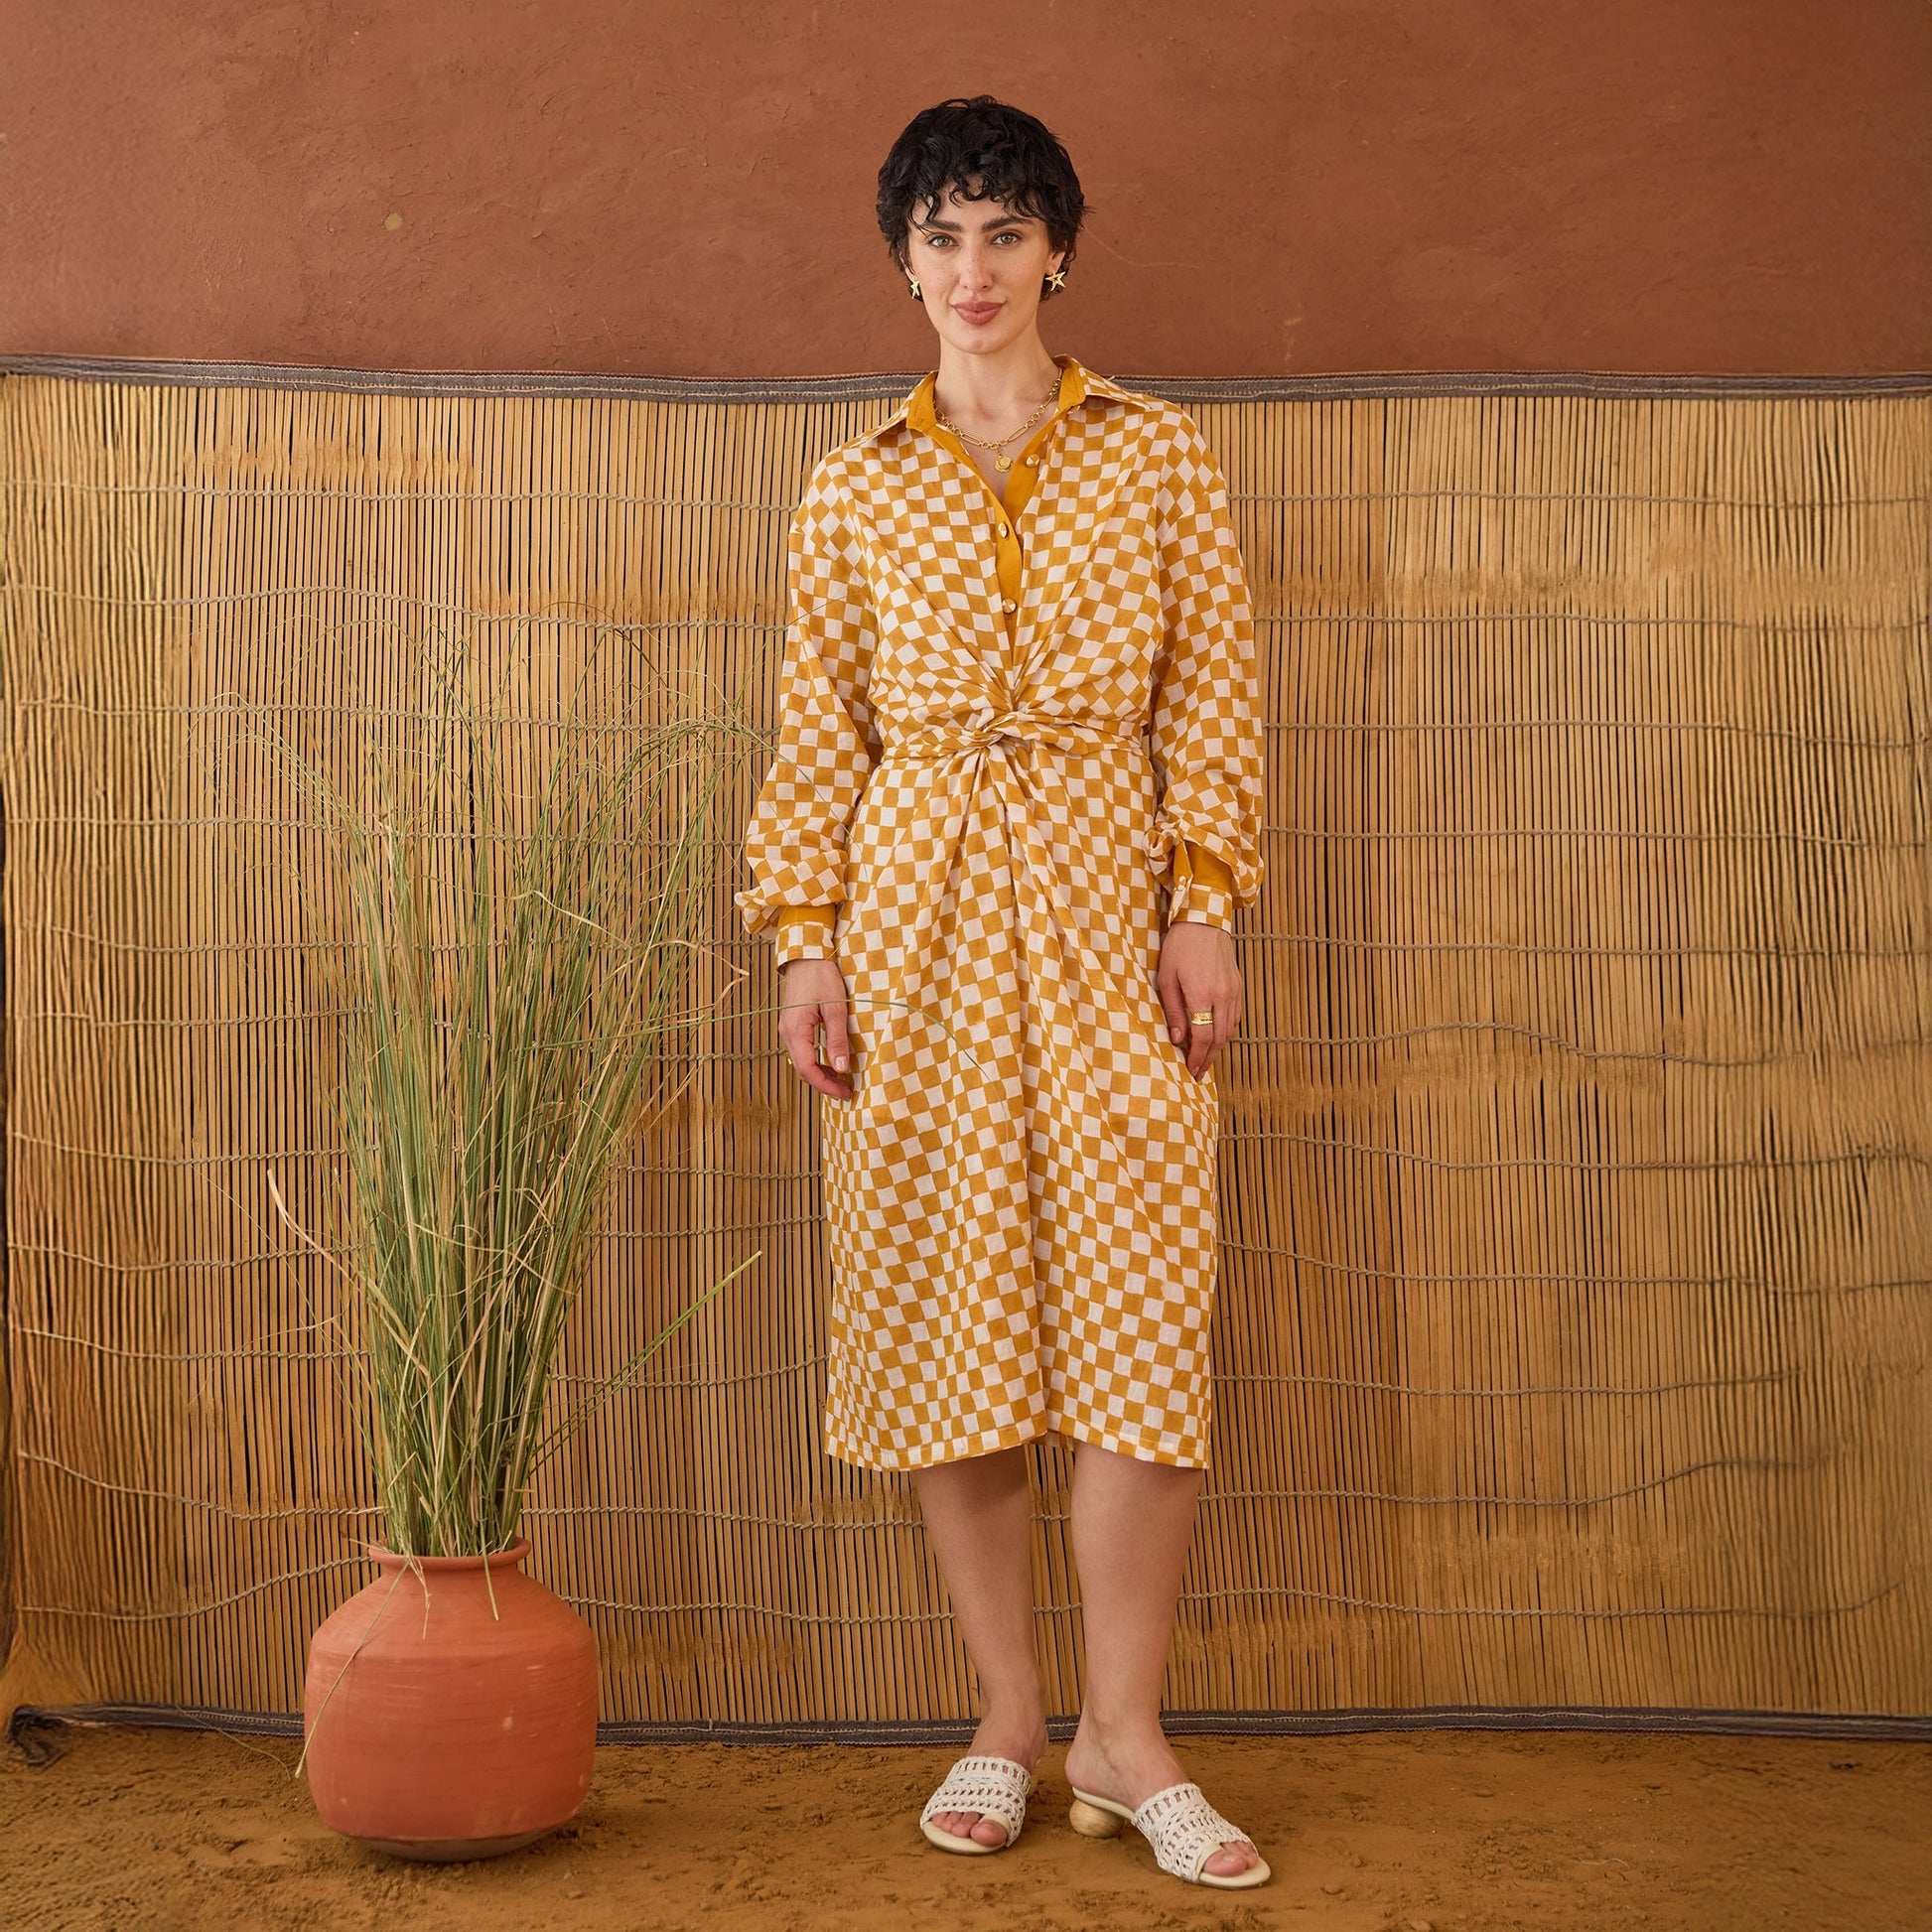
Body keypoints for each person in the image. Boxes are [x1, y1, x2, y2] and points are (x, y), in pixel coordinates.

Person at [737, 95, 1268, 1891]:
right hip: (913, 928)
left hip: (1113, 914)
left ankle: (1129, 1733)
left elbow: (1208, 693)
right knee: (942, 1302)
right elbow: (819, 730)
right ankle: (1009, 1717)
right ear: (905, 262)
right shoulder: (851, 485)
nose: (973, 270)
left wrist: (1203, 903)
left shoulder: (1160, 456)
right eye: (941, 238)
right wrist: (804, 937)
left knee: (1139, 1313)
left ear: (1059, 252)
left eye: (1004, 234)